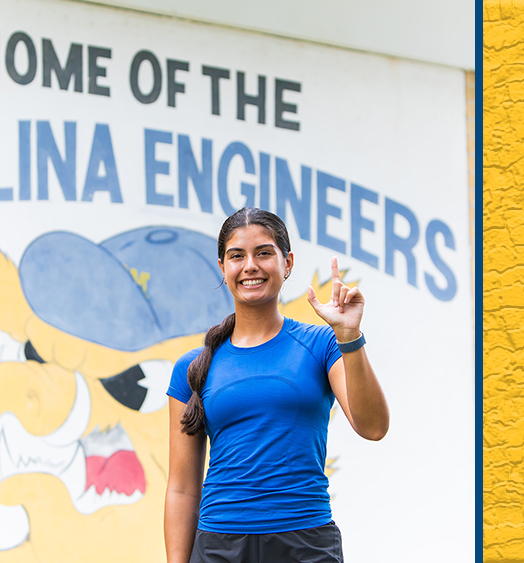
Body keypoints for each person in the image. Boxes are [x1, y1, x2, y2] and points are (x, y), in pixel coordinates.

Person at [165, 207, 390, 563]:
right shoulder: (192, 368)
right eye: (237, 256)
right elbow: (181, 488)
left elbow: (374, 426)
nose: (250, 265)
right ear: (223, 268)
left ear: (287, 263)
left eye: (264, 253)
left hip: (306, 543)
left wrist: (349, 336)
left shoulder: (323, 344)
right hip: (219, 547)